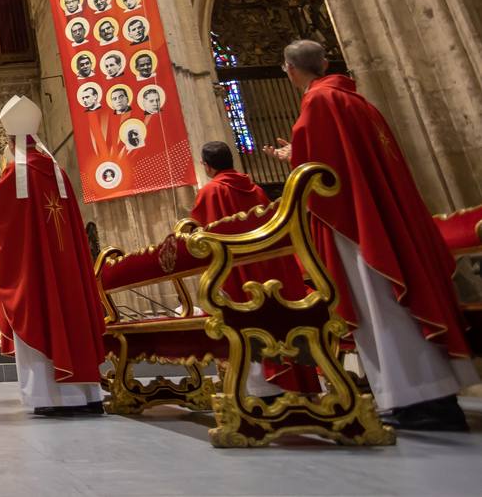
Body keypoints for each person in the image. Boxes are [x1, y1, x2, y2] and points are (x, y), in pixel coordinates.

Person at [264, 39, 475, 430]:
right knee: (395, 298)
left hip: (354, 223)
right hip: (381, 213)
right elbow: (335, 157)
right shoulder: (356, 101)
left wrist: (294, 158)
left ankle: (415, 398)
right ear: (324, 63)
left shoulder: (318, 103)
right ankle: (431, 395)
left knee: (379, 302)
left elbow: (318, 170)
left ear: (291, 70)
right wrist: (296, 154)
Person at [0, 95, 105, 416]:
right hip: (68, 269)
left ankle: (50, 398)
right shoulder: (59, 174)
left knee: (41, 312)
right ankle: (88, 394)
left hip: (38, 271)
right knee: (72, 317)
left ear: (11, 141)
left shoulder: (17, 175)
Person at [190, 141, 319, 395]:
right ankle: (294, 384)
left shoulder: (211, 192)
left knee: (245, 322)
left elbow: (201, 235)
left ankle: (261, 392)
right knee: (276, 320)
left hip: (239, 271)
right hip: (269, 268)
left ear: (207, 166)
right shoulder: (256, 189)